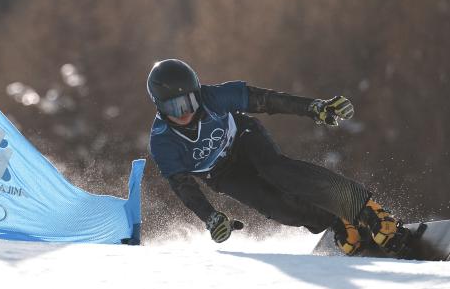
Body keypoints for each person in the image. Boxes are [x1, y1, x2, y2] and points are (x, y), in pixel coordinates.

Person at [147, 59, 403, 256]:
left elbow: (266, 101)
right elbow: (183, 185)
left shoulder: (214, 97)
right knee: (275, 207)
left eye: (189, 102)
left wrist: (313, 108)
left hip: (244, 140)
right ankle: (336, 220)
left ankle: (366, 211)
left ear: (198, 93)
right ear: (159, 106)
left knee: (277, 171)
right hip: (221, 174)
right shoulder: (162, 141)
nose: (183, 113)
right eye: (173, 107)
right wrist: (210, 217)